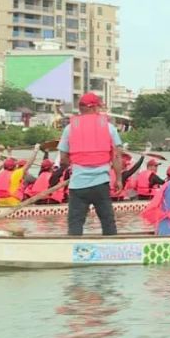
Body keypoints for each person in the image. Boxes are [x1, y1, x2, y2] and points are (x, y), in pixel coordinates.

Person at [60, 92, 123, 236]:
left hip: (77, 185)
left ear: (80, 108)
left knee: (75, 223)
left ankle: (73, 251)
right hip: (101, 184)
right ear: (94, 108)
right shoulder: (109, 128)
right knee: (108, 222)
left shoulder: (69, 128)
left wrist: (74, 165)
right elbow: (117, 157)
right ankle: (112, 250)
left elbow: (63, 159)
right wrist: (119, 179)